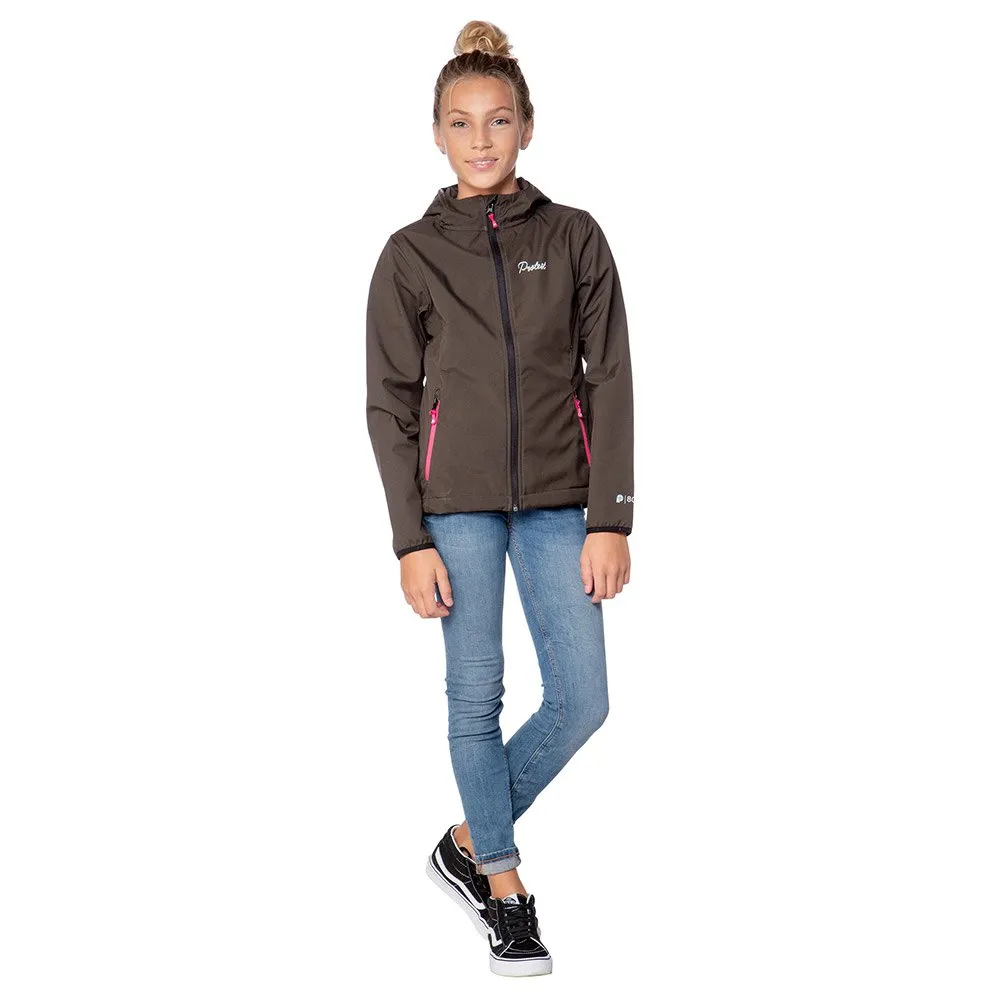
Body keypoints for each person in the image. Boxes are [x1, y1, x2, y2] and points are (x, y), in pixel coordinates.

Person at [365, 20, 634, 977]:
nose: (481, 139)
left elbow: (610, 380)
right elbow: (390, 404)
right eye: (461, 122)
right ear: (436, 134)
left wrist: (611, 516)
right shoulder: (410, 255)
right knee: (475, 693)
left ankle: (468, 840)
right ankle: (506, 889)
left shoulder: (574, 237)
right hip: (456, 509)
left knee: (583, 699)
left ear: (527, 126)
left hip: (563, 499)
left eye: (498, 120)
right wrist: (410, 538)